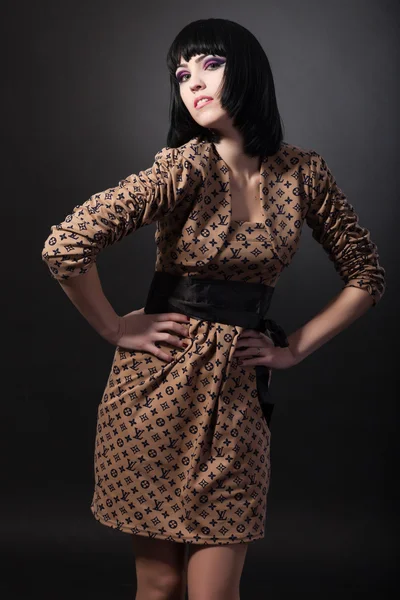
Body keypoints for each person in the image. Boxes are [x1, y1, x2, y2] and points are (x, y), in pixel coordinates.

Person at [41, 17, 386, 600]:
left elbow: (366, 274)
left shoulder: (304, 172)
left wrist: (294, 348)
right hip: (153, 395)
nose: (193, 83)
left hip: (235, 402)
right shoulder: (183, 166)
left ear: (248, 71)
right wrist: (114, 326)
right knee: (159, 584)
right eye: (182, 73)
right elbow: (65, 245)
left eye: (211, 65)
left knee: (215, 593)